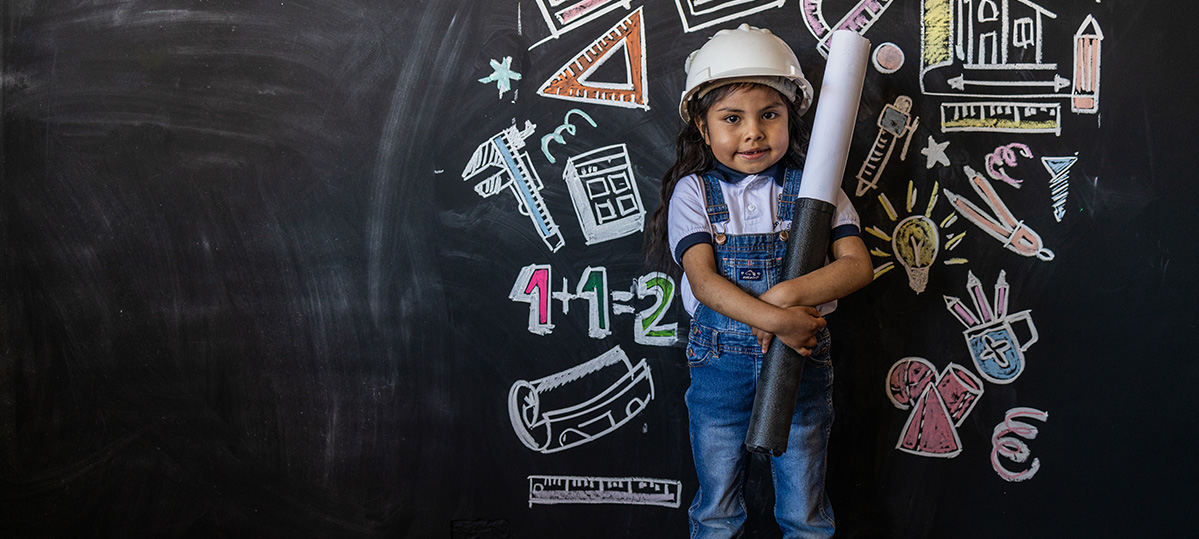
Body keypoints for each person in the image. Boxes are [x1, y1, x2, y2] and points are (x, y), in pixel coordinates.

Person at [644, 24, 873, 538]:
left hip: (801, 364)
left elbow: (857, 266)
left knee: (804, 510)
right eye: (732, 118)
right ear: (703, 129)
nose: (753, 132)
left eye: (770, 115)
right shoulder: (694, 192)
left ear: (790, 118)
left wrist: (785, 300)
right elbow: (703, 282)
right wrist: (779, 320)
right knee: (717, 507)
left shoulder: (817, 187)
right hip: (719, 369)